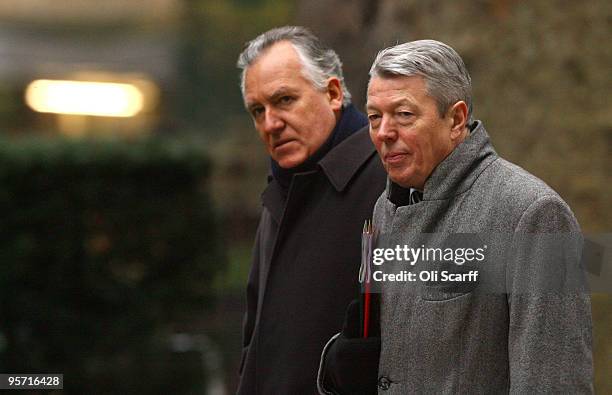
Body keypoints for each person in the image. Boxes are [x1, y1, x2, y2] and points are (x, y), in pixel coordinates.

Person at [319, 40, 593, 394]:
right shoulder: (384, 210)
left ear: (456, 119)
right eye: (374, 117)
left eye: (404, 114)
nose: (384, 132)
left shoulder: (536, 213)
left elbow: (555, 382)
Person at [235, 26, 386, 394]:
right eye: (258, 110)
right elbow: (254, 339)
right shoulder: (280, 191)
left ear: (333, 93)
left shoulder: (390, 179)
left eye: (284, 100)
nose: (270, 123)